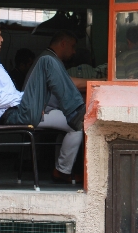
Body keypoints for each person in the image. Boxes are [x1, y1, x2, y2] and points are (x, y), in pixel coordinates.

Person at [0, 19, 85, 136]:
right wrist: (26, 101)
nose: (2, 39)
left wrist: (32, 102)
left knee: (47, 62)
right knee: (47, 61)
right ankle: (75, 111)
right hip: (13, 116)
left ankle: (74, 111)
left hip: (18, 112)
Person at [23, 30, 94, 183]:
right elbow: (70, 84)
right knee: (78, 125)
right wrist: (100, 81)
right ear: (63, 44)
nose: (74, 51)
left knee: (71, 122)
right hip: (37, 113)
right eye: (73, 46)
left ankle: (64, 168)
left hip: (40, 110)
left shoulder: (48, 57)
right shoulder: (49, 59)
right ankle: (62, 171)